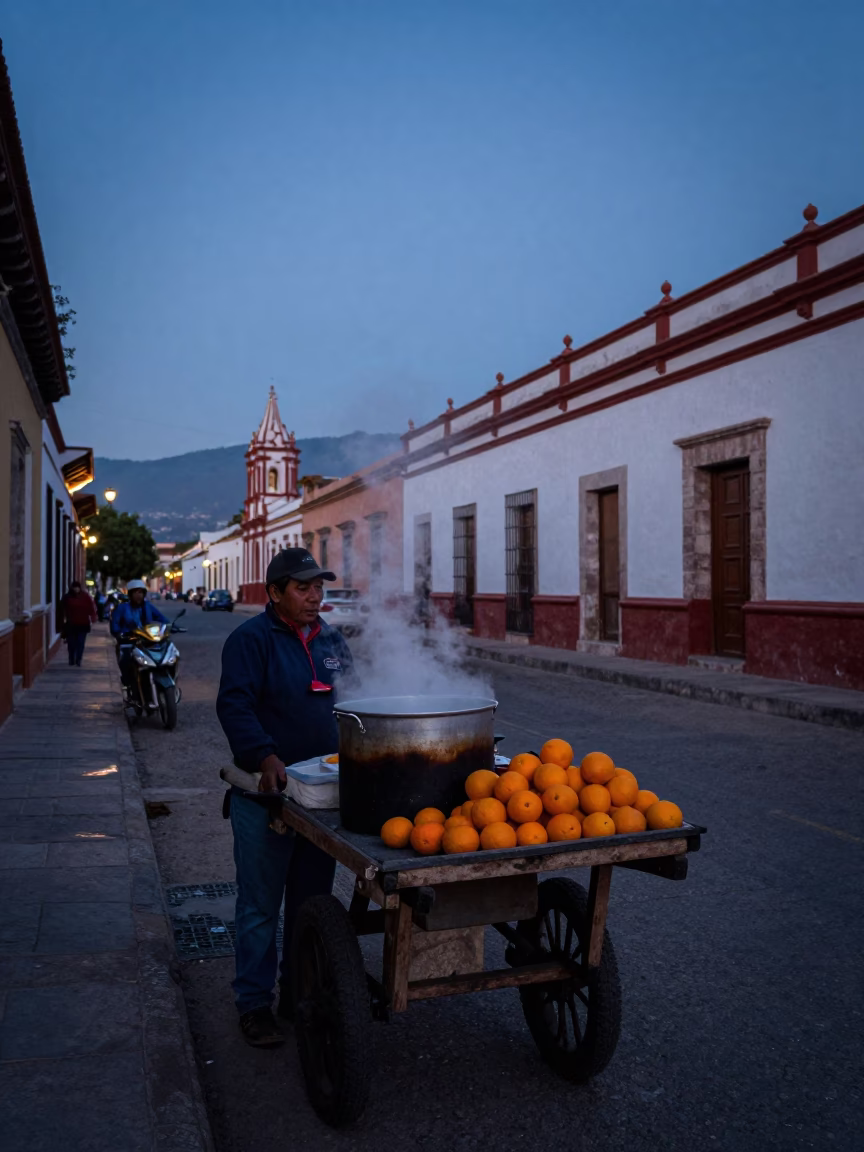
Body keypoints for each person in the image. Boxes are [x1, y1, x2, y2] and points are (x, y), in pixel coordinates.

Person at [216, 547, 354, 1048]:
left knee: (310, 901)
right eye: (303, 587)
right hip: (265, 797)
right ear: (274, 593)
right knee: (259, 906)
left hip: (320, 798)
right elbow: (234, 704)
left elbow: (352, 702)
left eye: (319, 586)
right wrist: (264, 757)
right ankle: (254, 1004)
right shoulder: (249, 640)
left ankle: (301, 993)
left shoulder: (332, 640)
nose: (315, 595)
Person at [110, 579, 168, 686]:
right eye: (136, 592)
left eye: (141, 592)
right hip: (129, 642)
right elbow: (115, 624)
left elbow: (162, 618)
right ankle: (129, 685)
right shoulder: (122, 608)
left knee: (163, 658)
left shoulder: (148, 606)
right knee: (126, 661)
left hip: (147, 641)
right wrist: (119, 634)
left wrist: (170, 626)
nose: (139, 595)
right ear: (130, 594)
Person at [59, 580, 97, 666]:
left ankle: (78, 659)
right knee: (71, 643)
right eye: (74, 587)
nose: (76, 589)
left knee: (80, 643)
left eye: (77, 587)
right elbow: (62, 610)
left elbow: (91, 607)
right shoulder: (67, 597)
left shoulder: (85, 597)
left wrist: (93, 617)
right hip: (71, 624)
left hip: (83, 624)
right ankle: (71, 658)